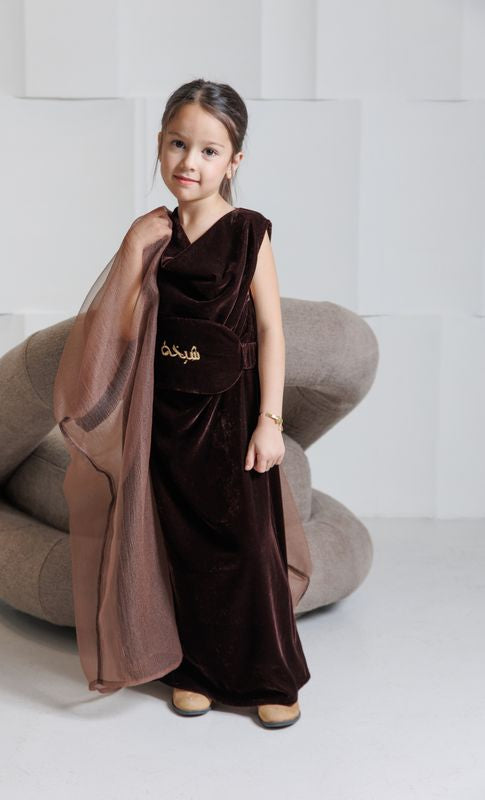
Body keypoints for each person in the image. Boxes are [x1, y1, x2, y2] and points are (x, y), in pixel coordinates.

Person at [128, 79, 311, 728]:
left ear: (234, 162)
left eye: (209, 151)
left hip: (232, 415)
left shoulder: (247, 233)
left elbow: (270, 329)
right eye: (178, 144)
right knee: (182, 548)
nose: (190, 162)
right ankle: (194, 669)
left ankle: (270, 675)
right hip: (167, 417)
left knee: (247, 545)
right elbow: (128, 326)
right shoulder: (153, 234)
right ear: (159, 144)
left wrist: (270, 421)